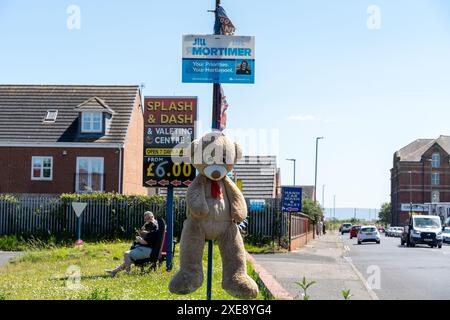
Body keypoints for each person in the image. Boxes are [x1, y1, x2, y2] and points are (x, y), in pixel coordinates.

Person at [105, 211, 158, 276]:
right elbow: (149, 236)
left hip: (147, 250)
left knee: (127, 254)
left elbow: (146, 242)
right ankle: (114, 271)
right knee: (128, 259)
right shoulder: (154, 225)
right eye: (145, 219)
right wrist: (143, 234)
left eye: (147, 219)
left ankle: (128, 274)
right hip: (148, 249)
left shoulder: (153, 226)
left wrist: (139, 239)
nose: (146, 221)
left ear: (152, 217)